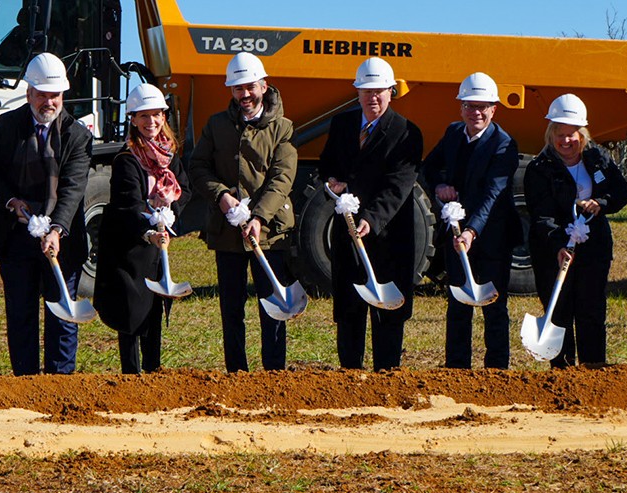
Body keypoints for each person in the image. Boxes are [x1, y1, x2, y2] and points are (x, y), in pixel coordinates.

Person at [0, 52, 92, 376]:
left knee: (62, 318)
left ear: (63, 95)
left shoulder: (77, 135)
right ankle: (25, 385)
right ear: (29, 93)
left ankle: (60, 385)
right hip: (16, 239)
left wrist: (56, 229)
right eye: (41, 94)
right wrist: (11, 200)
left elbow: (72, 188)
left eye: (54, 95)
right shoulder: (8, 125)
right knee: (21, 315)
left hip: (61, 240)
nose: (48, 102)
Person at [189, 52, 297, 372]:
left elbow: (282, 178)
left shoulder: (283, 128)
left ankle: (273, 374)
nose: (244, 94)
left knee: (273, 306)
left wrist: (260, 218)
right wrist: (221, 196)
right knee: (231, 308)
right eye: (237, 88)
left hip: (269, 233)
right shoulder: (216, 125)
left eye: (250, 86)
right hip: (228, 233)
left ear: (264, 85)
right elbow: (198, 167)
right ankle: (237, 373)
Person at [319, 57, 423, 371]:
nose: (372, 97)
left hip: (388, 236)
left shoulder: (406, 133)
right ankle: (350, 374)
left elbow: (398, 185)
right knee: (350, 309)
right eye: (366, 91)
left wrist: (371, 218)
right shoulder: (342, 125)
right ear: (358, 93)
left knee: (387, 313)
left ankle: (387, 374)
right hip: (348, 234)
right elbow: (326, 165)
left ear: (391, 91)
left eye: (379, 91)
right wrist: (332, 183)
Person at [423, 72, 520, 369]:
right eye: (469, 106)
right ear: (461, 108)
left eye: (482, 106)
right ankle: (456, 369)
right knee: (458, 305)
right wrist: (439, 186)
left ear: (494, 109)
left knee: (493, 307)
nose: (475, 112)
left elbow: (493, 194)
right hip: (456, 235)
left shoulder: (504, 145)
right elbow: (429, 166)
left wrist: (472, 232)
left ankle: (496, 372)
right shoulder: (453, 133)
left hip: (491, 238)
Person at [524, 93, 627, 368]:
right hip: (553, 251)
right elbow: (541, 214)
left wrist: (601, 203)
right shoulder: (539, 168)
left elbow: (620, 194)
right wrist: (558, 244)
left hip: (593, 249)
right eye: (560, 134)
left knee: (591, 311)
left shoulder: (598, 159)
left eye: (572, 134)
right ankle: (562, 373)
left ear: (582, 134)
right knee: (559, 311)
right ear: (551, 134)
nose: (566, 141)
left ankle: (593, 372)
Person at [93, 83, 191, 374]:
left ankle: (154, 371)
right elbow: (127, 204)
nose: (152, 122)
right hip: (128, 248)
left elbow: (184, 189)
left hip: (154, 247)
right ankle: (131, 377)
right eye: (144, 116)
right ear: (133, 119)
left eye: (157, 115)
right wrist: (148, 228)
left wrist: (171, 209)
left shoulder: (169, 155)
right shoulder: (127, 159)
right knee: (130, 314)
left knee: (152, 312)